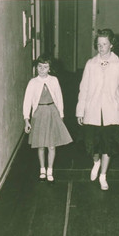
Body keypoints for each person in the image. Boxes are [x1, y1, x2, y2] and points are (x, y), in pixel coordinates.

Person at [76, 28, 119, 190]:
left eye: (104, 44)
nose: (101, 47)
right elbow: (83, 88)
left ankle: (103, 175)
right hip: (92, 111)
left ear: (111, 44)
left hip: (112, 112)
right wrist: (80, 110)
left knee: (108, 145)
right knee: (91, 145)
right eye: (99, 44)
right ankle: (96, 162)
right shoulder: (90, 64)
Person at [23, 54, 72, 182]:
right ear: (36, 67)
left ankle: (50, 170)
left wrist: (61, 115)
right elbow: (27, 101)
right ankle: (42, 169)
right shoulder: (33, 82)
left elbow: (59, 98)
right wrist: (26, 119)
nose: (42, 69)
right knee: (41, 144)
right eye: (39, 66)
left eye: (45, 67)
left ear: (49, 68)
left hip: (52, 113)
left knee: (51, 145)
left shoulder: (54, 80)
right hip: (39, 113)